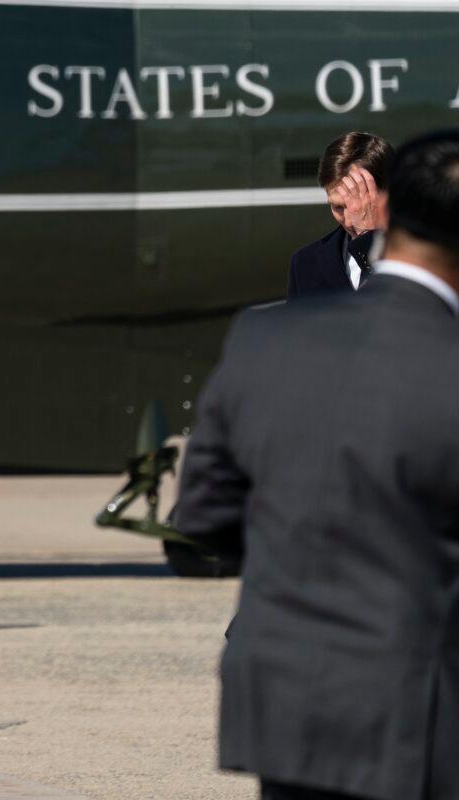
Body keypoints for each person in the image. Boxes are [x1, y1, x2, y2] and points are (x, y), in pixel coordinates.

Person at [176, 129, 459, 800]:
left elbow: (204, 526)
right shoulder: (315, 272)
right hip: (413, 695)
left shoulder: (257, 339)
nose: (345, 218)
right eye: (335, 208)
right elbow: (362, 358)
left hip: (292, 685)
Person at [288, 132, 393, 299]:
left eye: (359, 206)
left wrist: (368, 237)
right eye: (338, 207)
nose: (350, 221)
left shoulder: (427, 255)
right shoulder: (306, 264)